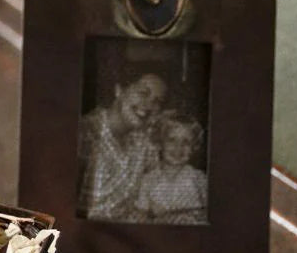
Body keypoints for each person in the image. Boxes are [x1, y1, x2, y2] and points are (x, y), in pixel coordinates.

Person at [77, 72, 167, 221]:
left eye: (157, 101)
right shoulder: (85, 134)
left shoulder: (145, 141)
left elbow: (159, 193)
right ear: (119, 90)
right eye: (143, 93)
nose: (149, 105)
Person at [135, 112, 209, 225]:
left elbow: (209, 213)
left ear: (194, 147)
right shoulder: (148, 180)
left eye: (186, 142)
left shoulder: (199, 178)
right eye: (172, 140)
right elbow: (141, 216)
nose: (178, 147)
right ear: (160, 143)